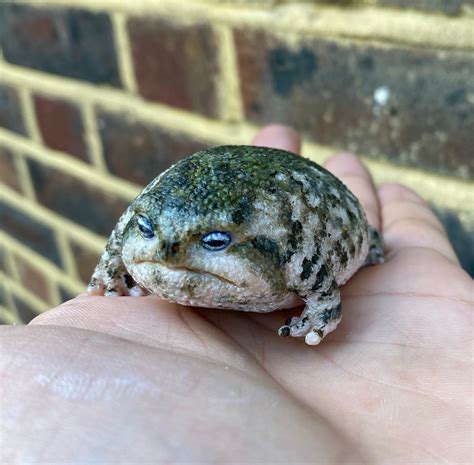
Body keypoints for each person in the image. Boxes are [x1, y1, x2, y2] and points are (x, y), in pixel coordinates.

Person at [1, 125, 472, 464]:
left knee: (359, 242)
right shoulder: (148, 226)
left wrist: (322, 309)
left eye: (211, 243)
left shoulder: (287, 251)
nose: (165, 254)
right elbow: (133, 226)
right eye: (150, 232)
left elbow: (310, 265)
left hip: (305, 222)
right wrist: (113, 268)